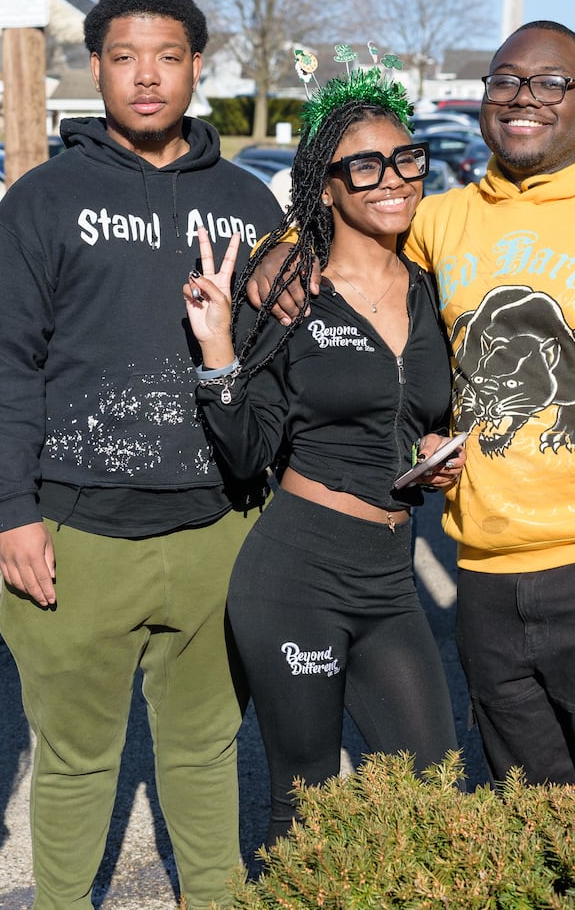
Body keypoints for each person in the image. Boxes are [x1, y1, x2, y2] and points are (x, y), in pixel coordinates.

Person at [249, 20, 575, 786]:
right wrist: (278, 246)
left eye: (552, 83)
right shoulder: (446, 220)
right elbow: (345, 221)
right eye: (506, 80)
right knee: (525, 816)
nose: (524, 98)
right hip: (484, 579)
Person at [0, 0, 282, 908]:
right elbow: (2, 367)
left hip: (218, 529)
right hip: (77, 537)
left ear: (196, 69)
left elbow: (276, 369)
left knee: (206, 748)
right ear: (95, 66)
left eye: (169, 58)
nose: (147, 78)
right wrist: (13, 513)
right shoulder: (43, 200)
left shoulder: (248, 204)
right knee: (72, 762)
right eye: (124, 58)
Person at [183, 70, 463, 846]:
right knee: (303, 801)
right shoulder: (294, 294)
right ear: (327, 186)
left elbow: (417, 413)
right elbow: (247, 451)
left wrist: (435, 449)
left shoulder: (429, 291)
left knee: (432, 788)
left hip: (390, 578)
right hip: (297, 575)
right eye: (365, 167)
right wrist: (216, 349)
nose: (394, 180)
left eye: (406, 160)